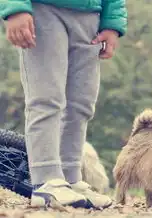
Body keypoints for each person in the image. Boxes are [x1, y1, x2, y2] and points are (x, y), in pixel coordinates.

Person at [0, 0, 127, 209]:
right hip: (44, 9)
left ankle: (70, 179)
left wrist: (112, 23)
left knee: (81, 105)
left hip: (90, 17)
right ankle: (46, 180)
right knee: (46, 99)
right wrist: (15, 8)